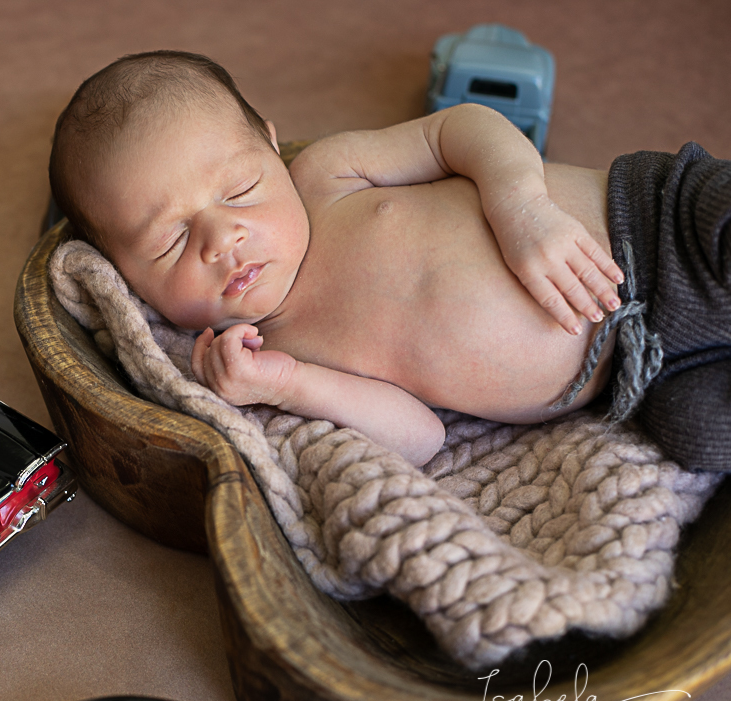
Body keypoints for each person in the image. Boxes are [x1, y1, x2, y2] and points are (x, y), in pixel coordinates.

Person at [48, 51, 731, 469]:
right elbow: (419, 437)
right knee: (699, 440)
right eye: (168, 243)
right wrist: (284, 384)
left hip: (655, 220)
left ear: (271, 143)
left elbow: (459, 128)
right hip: (644, 374)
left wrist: (521, 209)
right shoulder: (282, 352)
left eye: (240, 190)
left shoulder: (324, 176)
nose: (222, 239)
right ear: (125, 277)